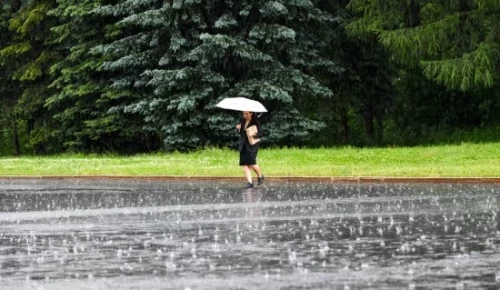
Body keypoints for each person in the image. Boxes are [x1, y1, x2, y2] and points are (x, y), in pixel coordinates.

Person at [235, 111, 264, 188]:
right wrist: (238, 128)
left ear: (251, 113)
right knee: (244, 163)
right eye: (244, 114)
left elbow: (261, 133)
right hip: (243, 144)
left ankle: (260, 176)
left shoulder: (255, 121)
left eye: (246, 114)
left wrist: (254, 134)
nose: (244, 115)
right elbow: (241, 132)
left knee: (251, 163)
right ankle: (250, 183)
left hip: (252, 144)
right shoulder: (242, 120)